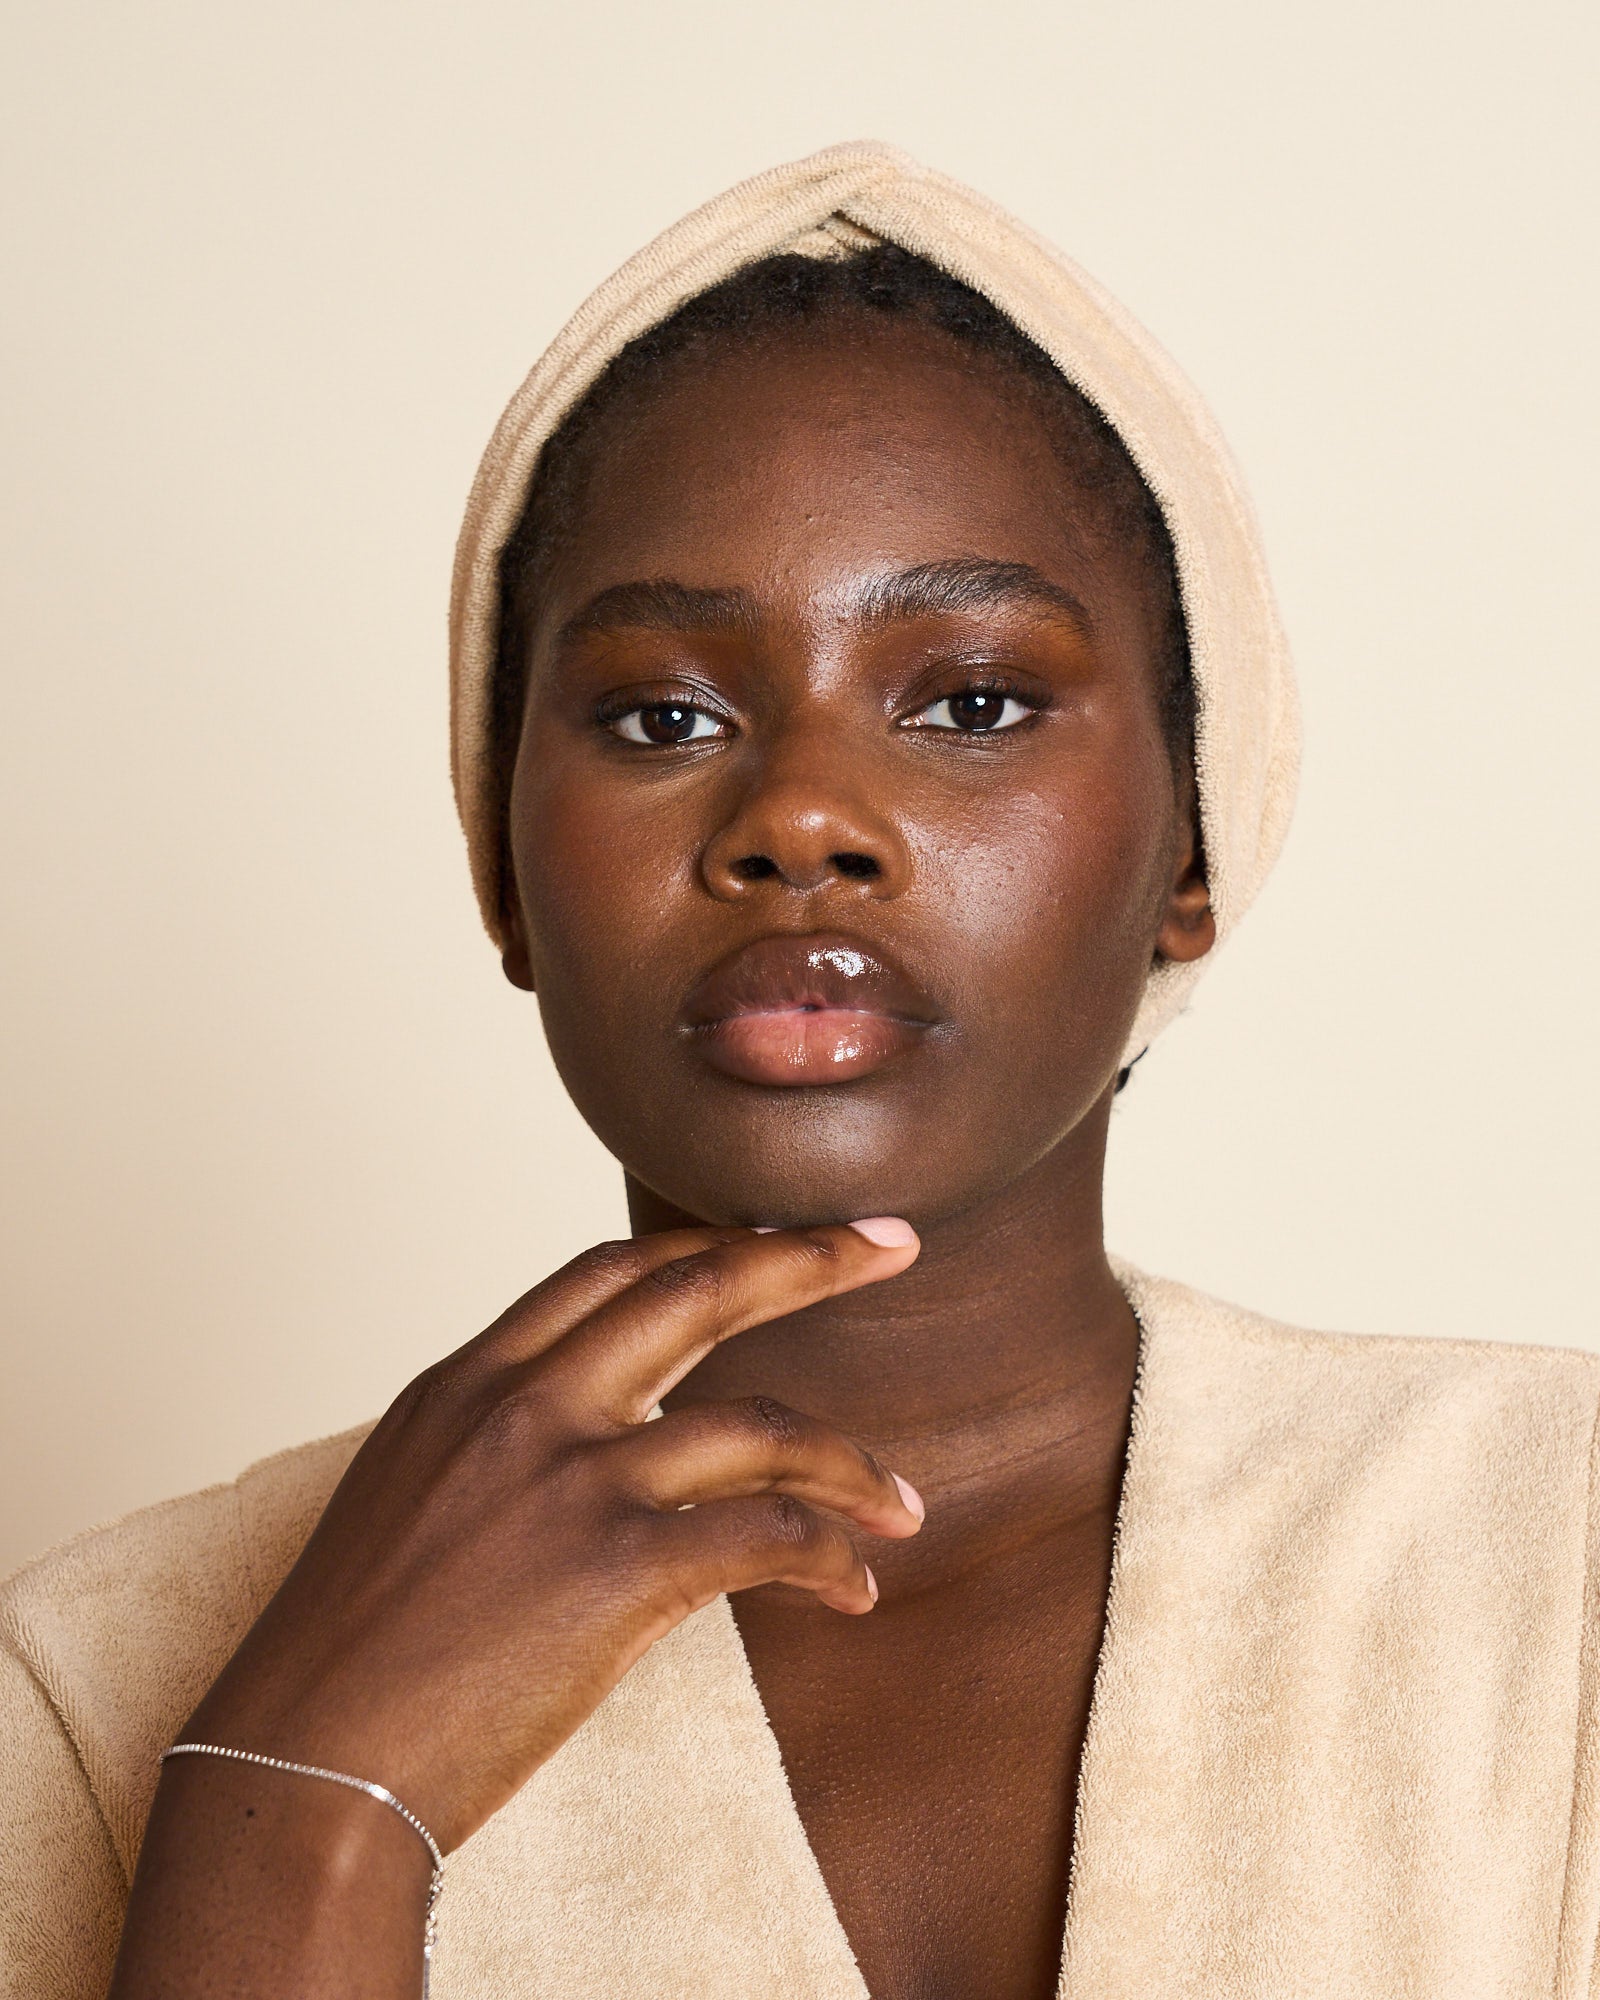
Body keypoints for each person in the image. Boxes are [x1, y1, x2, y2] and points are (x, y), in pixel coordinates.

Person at [2, 141, 1596, 2000]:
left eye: (974, 702)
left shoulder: (1554, 1550)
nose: (803, 820)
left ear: (1192, 846)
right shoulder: (104, 1682)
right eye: (664, 716)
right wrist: (302, 1805)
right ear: (502, 868)